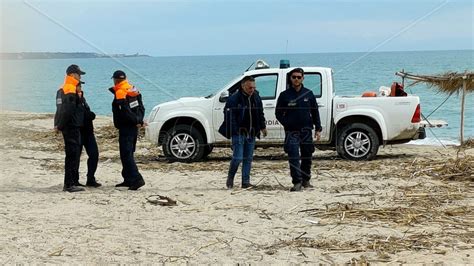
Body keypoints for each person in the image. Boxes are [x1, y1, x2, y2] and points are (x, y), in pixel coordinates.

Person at [275, 68, 322, 192]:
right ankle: (297, 182)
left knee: (307, 156)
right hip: (291, 132)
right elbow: (278, 113)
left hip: (306, 130)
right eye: (294, 77)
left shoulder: (309, 93)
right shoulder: (284, 95)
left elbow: (315, 112)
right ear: (290, 78)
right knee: (293, 157)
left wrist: (318, 128)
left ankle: (306, 180)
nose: (296, 79)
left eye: (299, 77)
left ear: (303, 78)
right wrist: (287, 123)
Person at [223, 76, 267, 189]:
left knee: (248, 158)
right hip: (239, 132)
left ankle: (245, 182)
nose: (252, 90)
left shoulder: (256, 97)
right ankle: (230, 177)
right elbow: (229, 118)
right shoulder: (233, 99)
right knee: (238, 158)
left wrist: (263, 127)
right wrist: (235, 131)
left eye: (253, 87)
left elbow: (260, 113)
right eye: (249, 87)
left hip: (252, 132)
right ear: (243, 86)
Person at [108, 70, 146, 190]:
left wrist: (135, 121)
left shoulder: (120, 92)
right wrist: (139, 120)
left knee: (126, 154)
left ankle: (136, 178)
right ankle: (128, 178)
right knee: (129, 153)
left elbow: (125, 111)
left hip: (127, 127)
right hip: (133, 127)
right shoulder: (132, 89)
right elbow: (141, 107)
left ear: (115, 80)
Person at [54, 64, 86, 192]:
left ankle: (72, 181)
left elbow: (59, 109)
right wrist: (61, 125)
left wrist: (57, 124)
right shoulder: (70, 89)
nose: (79, 77)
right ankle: (69, 184)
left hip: (67, 125)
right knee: (72, 155)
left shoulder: (61, 89)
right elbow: (68, 110)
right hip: (71, 126)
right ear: (72, 75)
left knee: (73, 154)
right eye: (78, 75)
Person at [76, 83, 102, 188]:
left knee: (94, 154)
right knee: (76, 156)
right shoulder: (72, 98)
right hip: (78, 131)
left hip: (88, 132)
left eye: (80, 86)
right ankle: (74, 179)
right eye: (78, 86)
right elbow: (78, 113)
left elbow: (86, 111)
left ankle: (90, 178)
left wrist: (90, 114)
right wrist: (90, 115)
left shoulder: (82, 98)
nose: (80, 88)